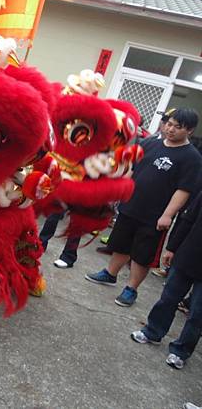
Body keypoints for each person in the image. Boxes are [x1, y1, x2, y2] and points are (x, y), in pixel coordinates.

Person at [86, 108, 202, 307]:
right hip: (131, 204)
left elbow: (183, 190)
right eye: (168, 124)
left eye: (177, 127)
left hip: (155, 216)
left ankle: (131, 289)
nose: (170, 129)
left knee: (142, 254)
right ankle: (110, 274)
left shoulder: (192, 157)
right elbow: (132, 168)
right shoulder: (150, 143)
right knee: (120, 243)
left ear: (189, 131)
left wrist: (167, 215)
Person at [130, 190, 202, 370]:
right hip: (188, 255)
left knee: (197, 314)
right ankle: (153, 331)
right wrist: (172, 247)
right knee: (168, 297)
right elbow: (188, 219)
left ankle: (181, 350)